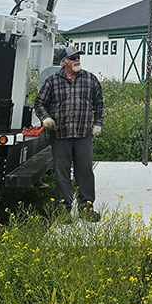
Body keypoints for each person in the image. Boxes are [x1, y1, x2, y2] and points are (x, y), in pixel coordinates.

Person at [34, 45, 105, 221]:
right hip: (60, 136)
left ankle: (86, 207)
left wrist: (98, 123)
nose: (77, 60)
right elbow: (39, 103)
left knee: (85, 171)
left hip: (83, 135)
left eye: (78, 57)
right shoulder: (52, 81)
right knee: (62, 173)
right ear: (64, 61)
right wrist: (45, 118)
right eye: (73, 58)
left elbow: (100, 103)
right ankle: (64, 210)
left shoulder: (90, 79)